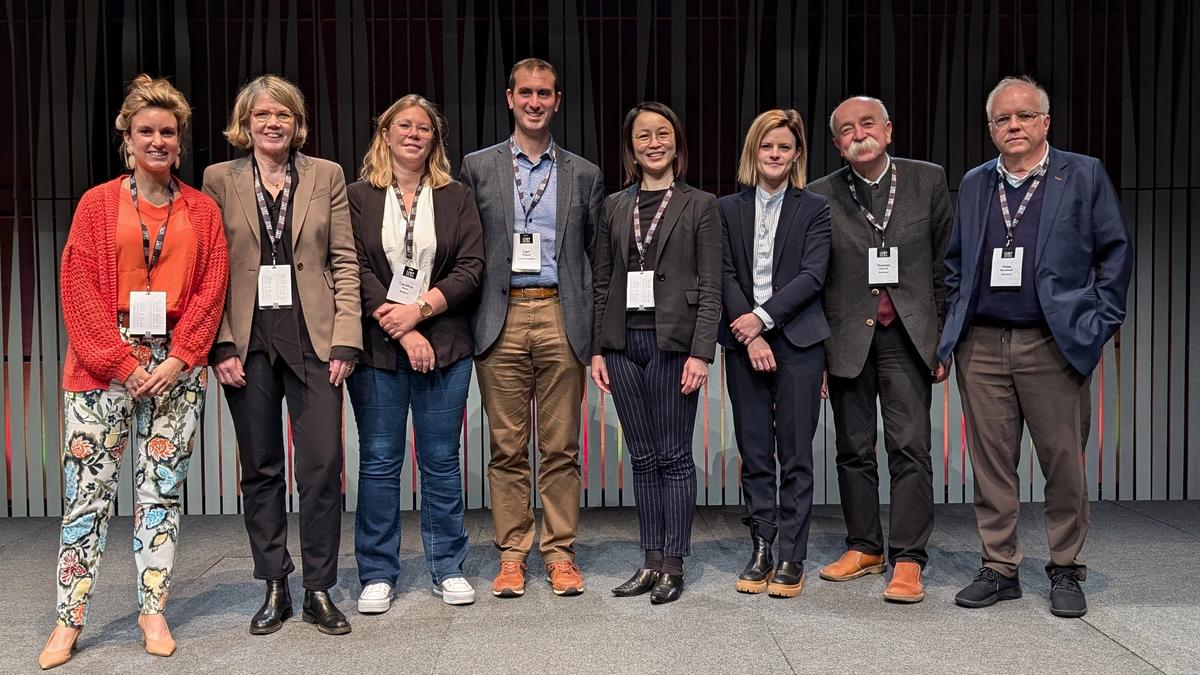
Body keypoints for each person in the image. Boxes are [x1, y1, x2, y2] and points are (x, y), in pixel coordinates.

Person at [39, 74, 228, 669]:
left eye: (168, 132)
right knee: (86, 499)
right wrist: (121, 363)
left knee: (161, 495)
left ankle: (152, 609)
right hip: (101, 370)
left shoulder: (202, 209)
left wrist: (178, 358)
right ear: (126, 138)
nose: (158, 140)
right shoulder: (98, 204)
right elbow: (79, 290)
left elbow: (210, 290)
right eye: (146, 130)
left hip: (176, 365)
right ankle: (69, 620)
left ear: (181, 140)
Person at [937, 76, 1133, 618]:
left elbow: (1115, 253)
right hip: (982, 344)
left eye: (1024, 116)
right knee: (992, 464)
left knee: (1063, 462)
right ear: (991, 128)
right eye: (1003, 119)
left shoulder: (1083, 173)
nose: (1013, 125)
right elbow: (956, 262)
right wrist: (957, 323)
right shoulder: (977, 182)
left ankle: (1066, 567)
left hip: (1054, 342)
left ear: (1045, 123)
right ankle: (999, 567)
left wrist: (1099, 324)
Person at [203, 74, 361, 635]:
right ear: (245, 123)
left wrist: (347, 337)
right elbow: (211, 268)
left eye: (285, 115)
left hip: (314, 339)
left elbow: (343, 260)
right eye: (263, 115)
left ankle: (319, 587)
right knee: (262, 467)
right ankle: (275, 584)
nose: (274, 124)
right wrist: (219, 342)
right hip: (245, 342)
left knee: (322, 467)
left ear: (298, 123)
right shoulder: (218, 178)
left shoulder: (326, 176)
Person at [459, 58, 604, 598]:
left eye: (545, 93)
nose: (535, 101)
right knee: (507, 447)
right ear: (509, 98)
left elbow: (594, 257)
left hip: (561, 314)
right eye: (526, 93)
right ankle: (513, 553)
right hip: (500, 315)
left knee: (562, 446)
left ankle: (561, 552)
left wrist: (594, 332)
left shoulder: (583, 173)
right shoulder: (478, 167)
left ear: (558, 100)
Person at [807, 96, 952, 603]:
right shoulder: (818, 194)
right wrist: (817, 354)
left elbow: (943, 269)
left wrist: (942, 342)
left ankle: (909, 558)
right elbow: (814, 278)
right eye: (846, 129)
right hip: (846, 339)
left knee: (910, 448)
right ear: (836, 143)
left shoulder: (928, 180)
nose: (858, 134)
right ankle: (865, 546)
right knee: (853, 450)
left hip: (909, 339)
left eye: (867, 124)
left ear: (888, 130)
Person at [346, 94, 484, 611]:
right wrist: (401, 327)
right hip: (378, 348)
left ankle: (447, 566)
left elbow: (471, 267)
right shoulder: (358, 195)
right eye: (402, 125)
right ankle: (377, 573)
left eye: (423, 128)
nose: (413, 134)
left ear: (435, 139)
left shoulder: (456, 196)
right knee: (380, 462)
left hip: (445, 346)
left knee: (442, 463)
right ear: (385, 133)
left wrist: (419, 311)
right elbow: (351, 266)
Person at [592, 101, 721, 604]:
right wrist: (598, 349)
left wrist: (701, 353)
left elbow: (711, 285)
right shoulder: (613, 206)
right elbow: (603, 281)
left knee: (673, 457)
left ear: (676, 142)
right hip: (624, 344)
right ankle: (649, 560)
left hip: (675, 344)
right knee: (642, 459)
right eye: (643, 136)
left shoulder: (700, 204)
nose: (653, 143)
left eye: (662, 133)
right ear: (631, 147)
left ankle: (674, 562)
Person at [718, 109, 831, 599]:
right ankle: (762, 545)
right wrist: (751, 334)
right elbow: (721, 274)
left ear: (797, 154)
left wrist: (763, 320)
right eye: (767, 147)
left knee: (796, 454)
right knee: (756, 452)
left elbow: (813, 276)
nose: (775, 155)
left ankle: (792, 554)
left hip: (800, 343)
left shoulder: (816, 208)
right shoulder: (726, 208)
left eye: (785, 147)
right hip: (745, 345)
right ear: (753, 152)